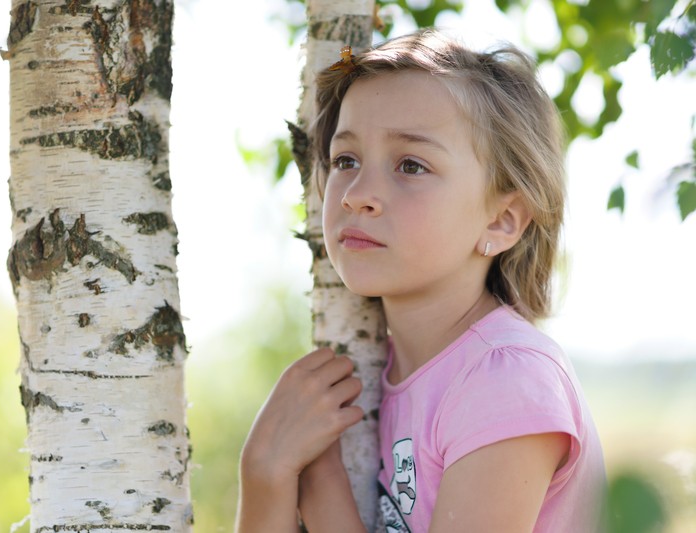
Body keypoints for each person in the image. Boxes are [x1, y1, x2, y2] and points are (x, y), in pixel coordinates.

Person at [236, 28, 606, 532]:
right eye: (346, 160)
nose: (356, 195)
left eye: (411, 164)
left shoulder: (504, 381)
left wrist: (319, 480)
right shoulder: (374, 376)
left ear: (502, 220)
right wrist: (263, 472)